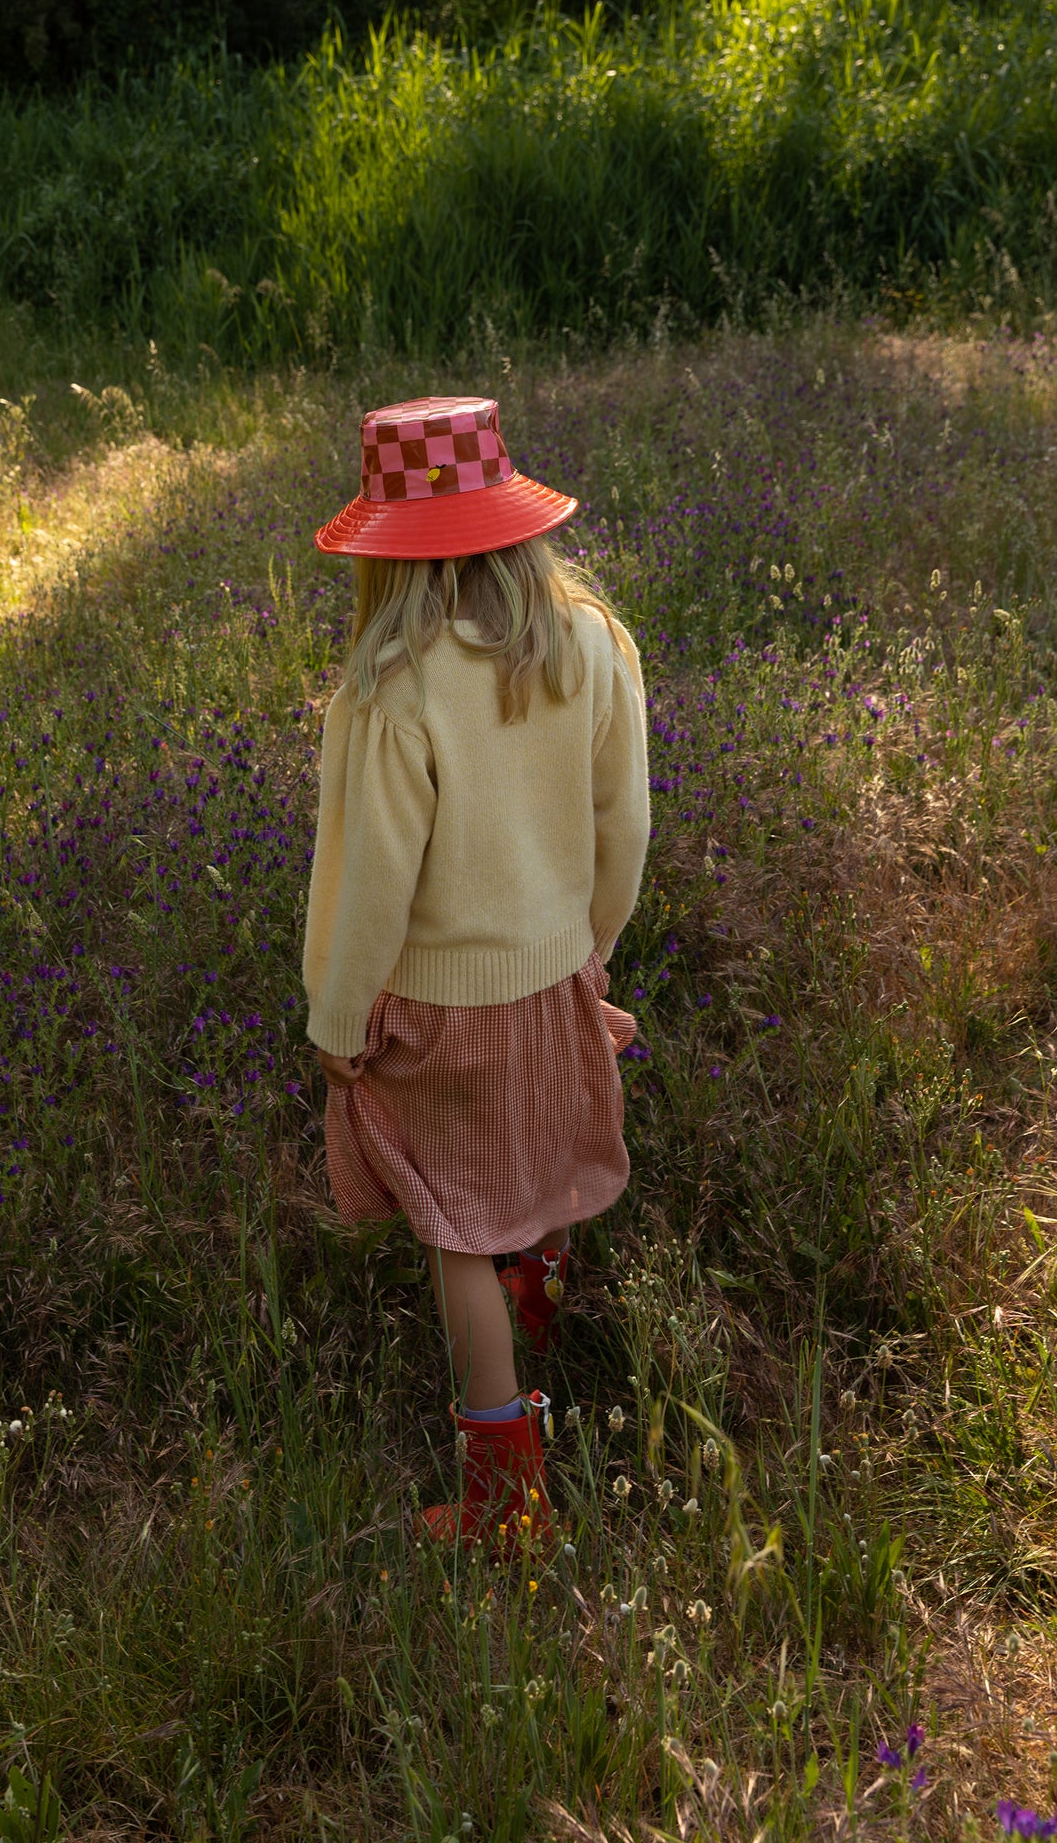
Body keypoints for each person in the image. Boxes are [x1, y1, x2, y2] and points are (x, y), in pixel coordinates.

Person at [302, 395, 650, 1545]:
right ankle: (539, 1288)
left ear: (386, 553)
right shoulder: (589, 638)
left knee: (455, 1222)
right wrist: (586, 942)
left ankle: (505, 1496)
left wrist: (338, 1017)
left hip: (441, 1004)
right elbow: (624, 822)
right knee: (533, 1152)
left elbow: (369, 885)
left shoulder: (392, 690)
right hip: (554, 967)